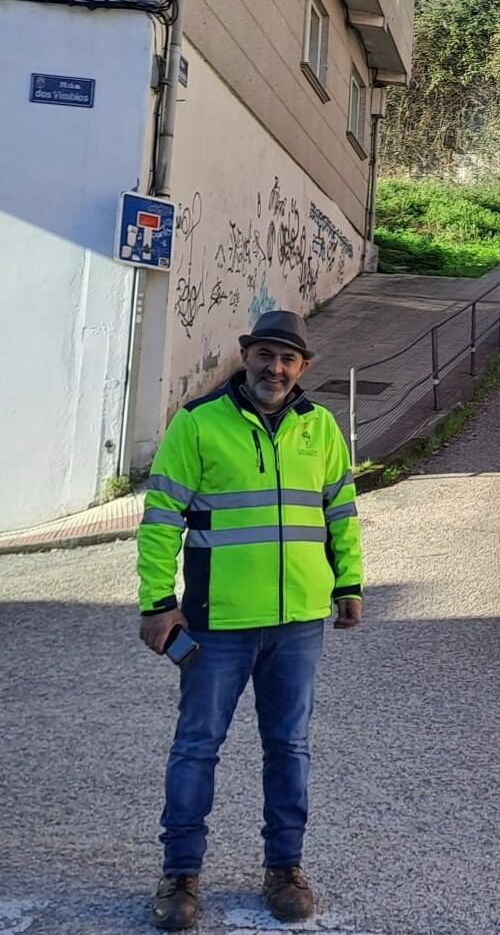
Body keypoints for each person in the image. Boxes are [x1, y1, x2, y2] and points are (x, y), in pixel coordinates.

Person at [136, 310, 363, 931]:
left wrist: (348, 582)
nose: (276, 367)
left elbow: (340, 510)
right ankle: (180, 875)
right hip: (217, 623)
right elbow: (161, 519)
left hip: (298, 623)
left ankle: (284, 868)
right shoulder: (199, 423)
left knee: (289, 746)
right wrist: (159, 603)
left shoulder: (320, 428)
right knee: (197, 747)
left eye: (288, 358)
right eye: (265, 354)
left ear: (303, 367)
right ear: (247, 355)